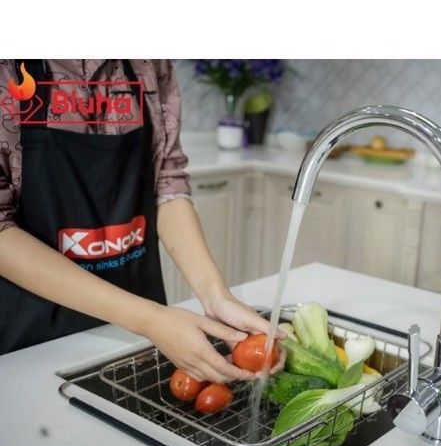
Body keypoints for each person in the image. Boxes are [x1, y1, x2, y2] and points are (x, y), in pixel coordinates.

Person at [0, 59, 281, 381]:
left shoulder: (149, 61)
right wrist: (150, 319)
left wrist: (216, 296)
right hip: (34, 341)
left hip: (137, 332)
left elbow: (167, 183)